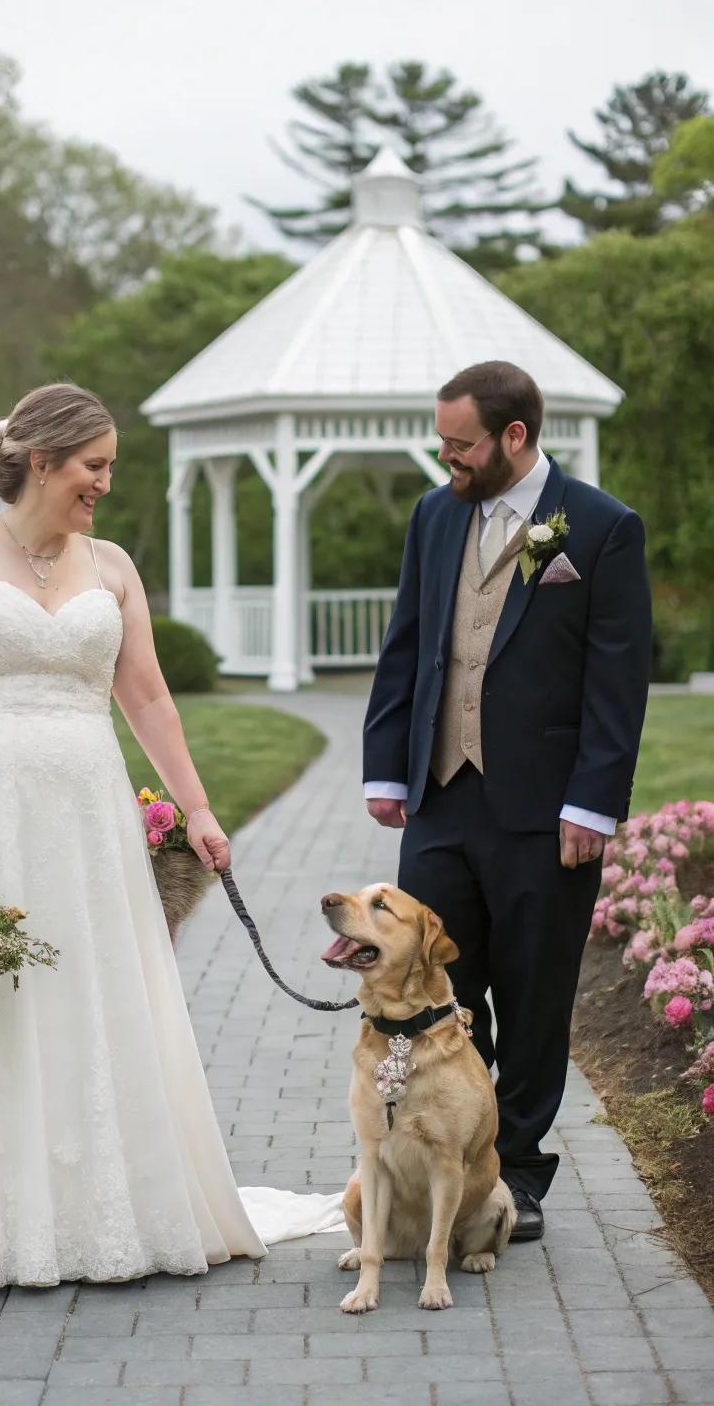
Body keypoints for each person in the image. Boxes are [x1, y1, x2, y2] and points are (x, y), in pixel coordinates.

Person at [0, 381, 340, 1286]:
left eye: (109, 469)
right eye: (94, 466)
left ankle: (100, 1206)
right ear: (45, 460)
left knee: (92, 989)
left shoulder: (115, 567)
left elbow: (146, 697)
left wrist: (202, 810)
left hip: (86, 815)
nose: (104, 483)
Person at [362, 361, 650, 1241]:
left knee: (533, 995)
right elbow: (408, 641)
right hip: (443, 797)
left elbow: (618, 676)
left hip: (547, 812)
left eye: (460, 443)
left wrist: (593, 806)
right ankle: (448, 1158)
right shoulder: (434, 515)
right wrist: (387, 766)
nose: (445, 455)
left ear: (514, 438)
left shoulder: (599, 529)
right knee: (439, 987)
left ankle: (516, 1172)